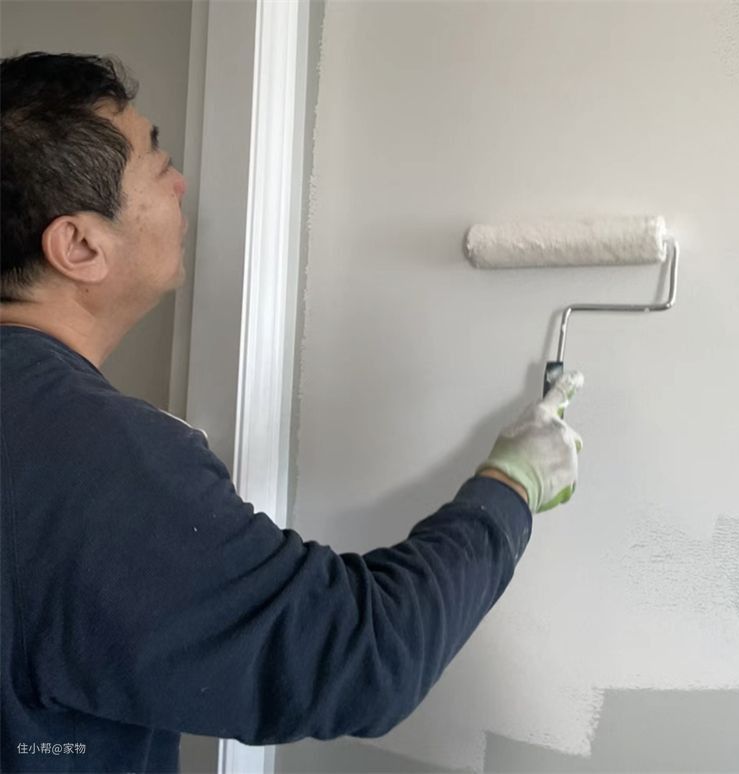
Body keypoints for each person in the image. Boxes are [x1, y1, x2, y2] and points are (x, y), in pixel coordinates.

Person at [0, 52, 584, 772]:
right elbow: (362, 655)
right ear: (81, 245)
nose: (181, 183)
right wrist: (511, 488)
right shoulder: (92, 459)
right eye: (158, 163)